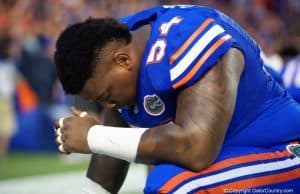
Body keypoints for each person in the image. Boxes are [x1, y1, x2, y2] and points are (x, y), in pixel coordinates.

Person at [54, 5, 300, 194]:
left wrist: (92, 136)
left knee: (172, 185)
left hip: (283, 150)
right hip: (236, 152)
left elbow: (196, 149)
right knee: (161, 170)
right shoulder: (120, 48)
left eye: (106, 96)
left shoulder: (187, 36)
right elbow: (117, 136)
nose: (108, 106)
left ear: (123, 61)